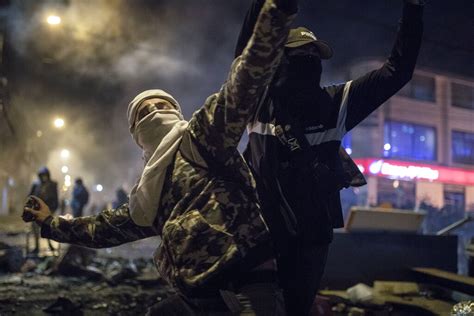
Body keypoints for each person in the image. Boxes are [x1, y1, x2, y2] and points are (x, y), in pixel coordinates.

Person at [23, 0, 297, 314]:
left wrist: (275, 14)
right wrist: (50, 223)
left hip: (247, 282)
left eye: (162, 105)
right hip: (198, 294)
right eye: (143, 112)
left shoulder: (201, 137)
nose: (154, 112)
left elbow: (245, 82)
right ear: (136, 133)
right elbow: (104, 228)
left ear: (177, 111)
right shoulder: (146, 193)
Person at [234, 0, 425, 315]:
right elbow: (244, 58)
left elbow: (398, 70)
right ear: (279, 59)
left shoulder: (337, 102)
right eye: (300, 55)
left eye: (314, 57)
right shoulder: (258, 99)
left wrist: (414, 10)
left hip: (311, 241)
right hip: (259, 236)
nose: (309, 61)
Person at [27, 166, 58, 254]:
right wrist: (29, 209)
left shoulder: (52, 184)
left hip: (47, 210)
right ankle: (36, 247)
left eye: (45, 175)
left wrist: (53, 209)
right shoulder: (36, 185)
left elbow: (55, 198)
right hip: (36, 210)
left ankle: (50, 244)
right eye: (42, 175)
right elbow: (30, 196)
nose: (44, 177)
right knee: (35, 229)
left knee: (47, 228)